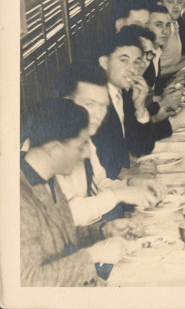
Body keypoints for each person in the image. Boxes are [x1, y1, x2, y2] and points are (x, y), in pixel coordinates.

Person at [20, 98, 137, 286]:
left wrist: (103, 230)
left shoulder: (47, 176)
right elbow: (29, 281)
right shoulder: (17, 197)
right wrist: (92, 255)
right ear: (55, 150)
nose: (84, 154)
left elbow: (61, 238)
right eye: (81, 146)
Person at [55, 62, 166, 226]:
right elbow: (65, 216)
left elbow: (99, 183)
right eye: (90, 104)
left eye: (103, 106)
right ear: (66, 102)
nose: (98, 115)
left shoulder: (84, 136)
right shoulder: (50, 145)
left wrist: (132, 183)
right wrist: (118, 196)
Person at [92, 28, 157, 179]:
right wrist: (125, 174)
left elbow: (142, 148)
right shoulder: (95, 99)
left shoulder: (124, 93)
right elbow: (96, 159)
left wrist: (140, 108)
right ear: (104, 62)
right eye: (124, 61)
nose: (132, 70)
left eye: (136, 63)